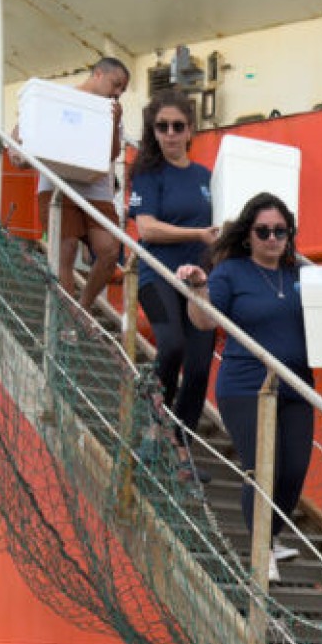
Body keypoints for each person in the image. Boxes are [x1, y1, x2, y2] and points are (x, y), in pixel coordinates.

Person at [176, 193, 312, 581]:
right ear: (248, 234)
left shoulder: (300, 274)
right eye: (263, 231)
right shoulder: (231, 272)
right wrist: (198, 289)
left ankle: (269, 535)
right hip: (245, 386)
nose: (272, 238)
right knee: (264, 466)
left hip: (297, 385)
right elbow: (204, 322)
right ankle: (260, 550)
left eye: (280, 231)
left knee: (293, 471)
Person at [128, 90, 218, 473]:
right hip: (158, 275)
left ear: (190, 130)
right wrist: (198, 234)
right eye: (161, 126)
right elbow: (146, 228)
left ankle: (181, 444)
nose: (169, 133)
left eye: (177, 126)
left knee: (199, 369)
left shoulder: (206, 178)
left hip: (197, 280)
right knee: (172, 344)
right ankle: (155, 417)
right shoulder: (147, 174)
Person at [30, 57, 129, 312]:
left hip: (96, 186)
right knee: (66, 247)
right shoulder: (60, 95)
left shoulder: (112, 111)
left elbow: (111, 155)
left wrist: (113, 122)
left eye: (123, 90)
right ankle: (65, 320)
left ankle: (81, 308)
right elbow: (30, 124)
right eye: (115, 84)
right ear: (98, 74)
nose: (117, 93)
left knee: (108, 250)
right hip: (57, 183)